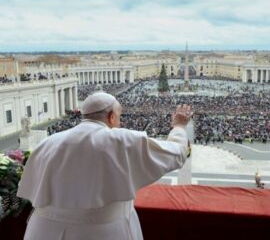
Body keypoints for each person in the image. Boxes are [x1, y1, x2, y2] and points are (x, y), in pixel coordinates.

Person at [17, 92, 192, 240]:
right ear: (111, 116)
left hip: (42, 231)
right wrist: (179, 126)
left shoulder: (47, 143)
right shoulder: (121, 140)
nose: (119, 123)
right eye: (119, 117)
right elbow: (176, 153)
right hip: (101, 232)